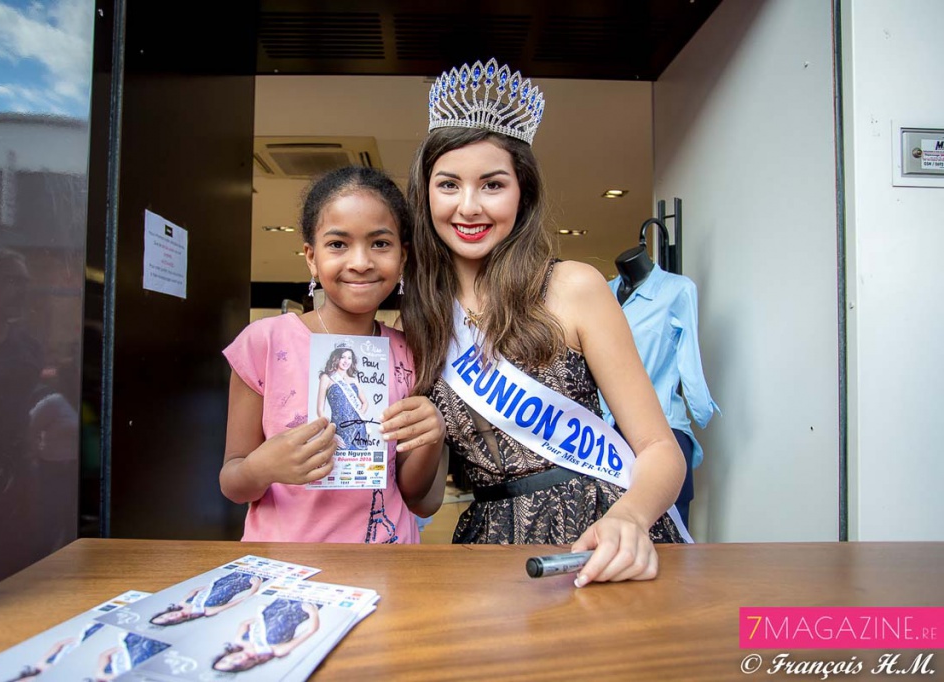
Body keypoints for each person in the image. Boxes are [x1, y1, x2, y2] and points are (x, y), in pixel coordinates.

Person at [401, 58, 688, 585]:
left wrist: (629, 517)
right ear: (426, 194)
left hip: (599, 533)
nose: (469, 206)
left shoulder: (573, 286)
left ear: (523, 192)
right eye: (448, 185)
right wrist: (428, 436)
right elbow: (426, 501)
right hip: (488, 550)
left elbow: (659, 449)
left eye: (492, 185)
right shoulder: (422, 317)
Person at [221, 166, 447, 543]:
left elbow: (417, 498)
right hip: (287, 564)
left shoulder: (412, 352)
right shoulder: (264, 342)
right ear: (311, 257)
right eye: (338, 244)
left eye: (380, 243)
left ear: (403, 256)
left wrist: (433, 435)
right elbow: (232, 482)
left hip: (388, 562)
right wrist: (262, 467)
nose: (360, 262)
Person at [606, 245, 721, 527]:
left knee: (671, 535)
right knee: (613, 532)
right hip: (607, 435)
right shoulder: (603, 294)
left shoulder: (677, 290)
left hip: (663, 427)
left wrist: (702, 409)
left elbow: (689, 356)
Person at [211, 599, 321, 673]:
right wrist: (313, 613)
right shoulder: (276, 651)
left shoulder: (240, 641)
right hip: (304, 607)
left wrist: (263, 615)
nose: (232, 660)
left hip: (282, 600)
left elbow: (244, 624)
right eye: (233, 665)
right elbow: (310, 631)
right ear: (242, 666)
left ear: (224, 656)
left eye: (225, 661)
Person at [149, 571, 263, 626]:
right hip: (245, 582)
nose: (169, 616)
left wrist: (212, 585)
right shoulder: (207, 612)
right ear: (174, 622)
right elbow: (240, 600)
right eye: (168, 620)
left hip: (227, 578)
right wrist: (255, 586)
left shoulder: (183, 603)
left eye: (163, 616)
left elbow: (195, 590)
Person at [316, 345, 370, 450]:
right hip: (338, 431)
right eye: (343, 357)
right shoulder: (326, 378)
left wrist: (358, 417)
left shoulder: (354, 380)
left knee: (360, 460)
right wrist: (330, 433)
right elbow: (320, 411)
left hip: (359, 432)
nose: (346, 361)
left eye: (349, 358)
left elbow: (365, 403)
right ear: (336, 358)